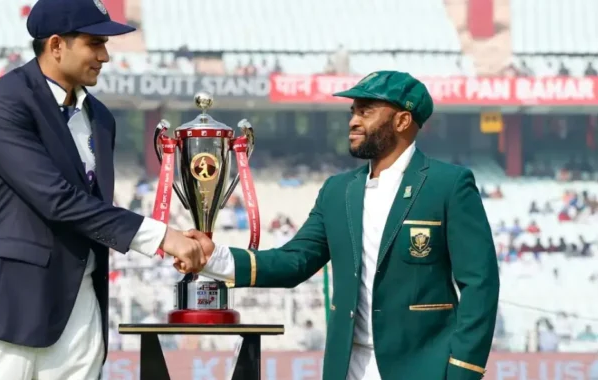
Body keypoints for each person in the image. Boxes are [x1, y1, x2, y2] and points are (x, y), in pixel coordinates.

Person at [0, 0, 205, 378]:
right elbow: (57, 200)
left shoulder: (102, 118)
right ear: (56, 45)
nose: (105, 56)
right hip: (7, 305)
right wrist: (163, 236)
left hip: (81, 306)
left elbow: (93, 208)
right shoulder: (3, 102)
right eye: (94, 43)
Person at [184, 71, 500, 380]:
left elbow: (480, 283)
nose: (353, 121)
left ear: (402, 120)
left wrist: (463, 371)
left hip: (425, 367)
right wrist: (214, 257)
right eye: (353, 111)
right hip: (348, 366)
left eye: (366, 111)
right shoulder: (337, 191)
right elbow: (294, 262)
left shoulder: (449, 184)